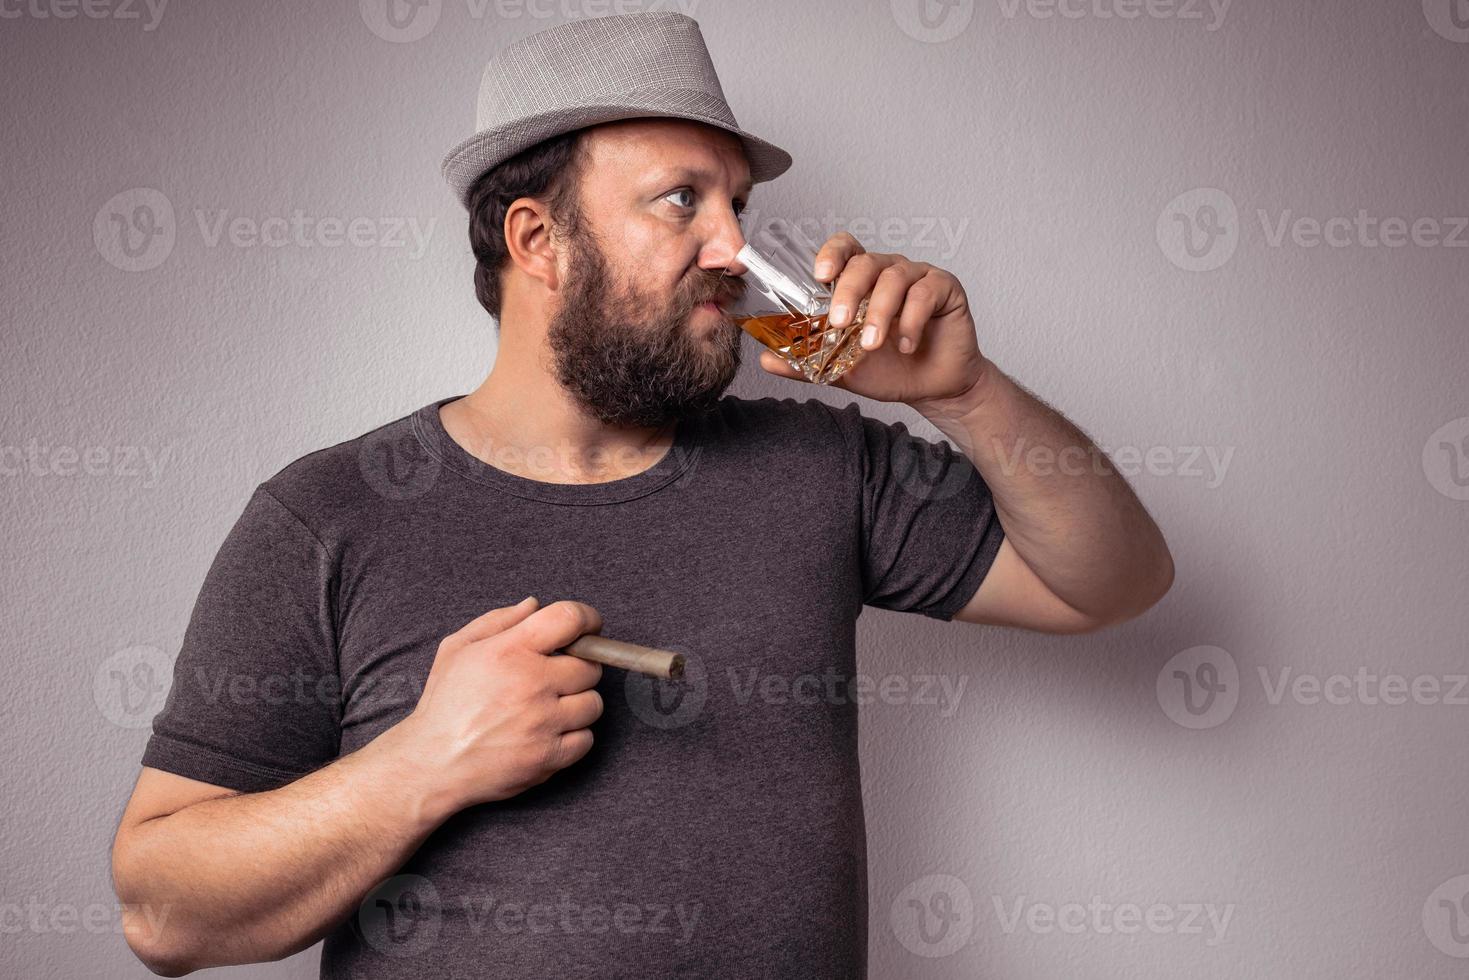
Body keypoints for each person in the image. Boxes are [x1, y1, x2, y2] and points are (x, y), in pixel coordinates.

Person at [110, 12, 1173, 978]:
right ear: (538, 241)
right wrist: (423, 762)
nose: (733, 249)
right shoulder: (330, 514)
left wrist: (966, 393)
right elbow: (164, 911)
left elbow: (1108, 582)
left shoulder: (822, 465)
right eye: (681, 201)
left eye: (737, 205)